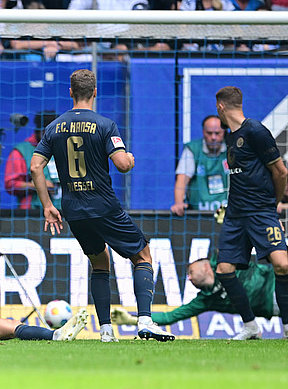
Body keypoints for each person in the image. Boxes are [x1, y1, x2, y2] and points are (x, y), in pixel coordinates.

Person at [30, 69, 175, 343]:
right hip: (103, 205)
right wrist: (130, 159)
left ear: (70, 93)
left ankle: (106, 330)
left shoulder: (53, 127)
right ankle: (145, 321)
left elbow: (36, 166)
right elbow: (122, 165)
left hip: (73, 208)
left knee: (99, 262)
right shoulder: (105, 124)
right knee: (142, 255)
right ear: (95, 92)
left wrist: (48, 205)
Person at [214, 86, 288, 340]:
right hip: (236, 214)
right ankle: (250, 326)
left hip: (260, 211)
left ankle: (287, 326)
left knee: (282, 265)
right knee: (224, 269)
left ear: (221, 107)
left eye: (217, 108)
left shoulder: (255, 130)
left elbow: (281, 172)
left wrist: (272, 205)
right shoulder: (230, 136)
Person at [112, 254, 288, 339]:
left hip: (279, 284)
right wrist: (131, 319)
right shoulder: (205, 300)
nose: (188, 277)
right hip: (275, 308)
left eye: (190, 272)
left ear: (205, 267)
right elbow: (170, 316)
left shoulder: (224, 263)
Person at [171, 115, 228, 216]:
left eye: (217, 133)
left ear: (224, 132)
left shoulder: (231, 148)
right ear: (203, 132)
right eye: (209, 133)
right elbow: (182, 179)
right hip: (198, 214)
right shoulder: (192, 149)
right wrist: (179, 203)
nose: (213, 137)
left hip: (227, 213)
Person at [5, 111, 61, 210]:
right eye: (45, 131)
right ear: (39, 130)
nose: (49, 136)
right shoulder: (22, 151)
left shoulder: (64, 149)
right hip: (33, 213)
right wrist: (36, 185)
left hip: (64, 212)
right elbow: (11, 184)